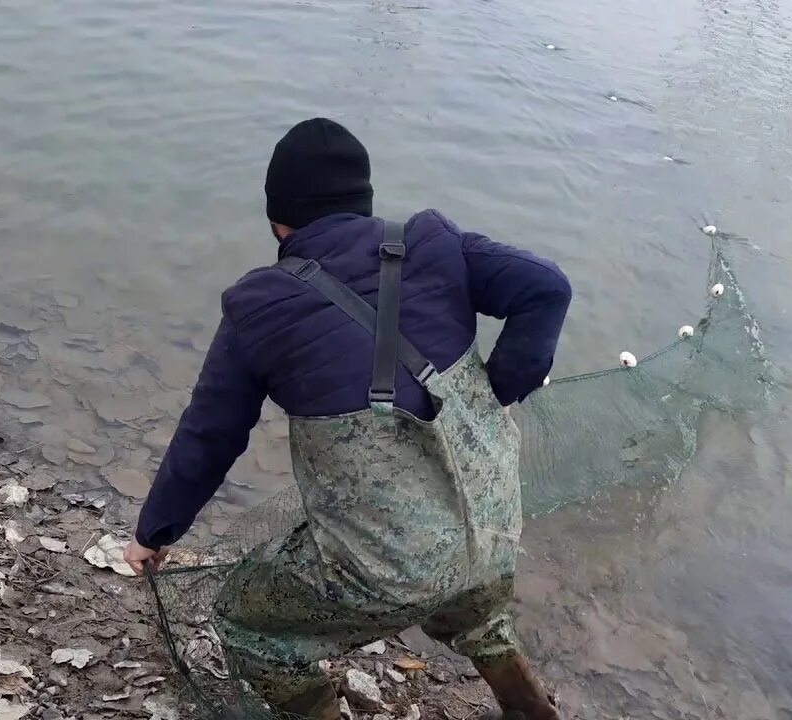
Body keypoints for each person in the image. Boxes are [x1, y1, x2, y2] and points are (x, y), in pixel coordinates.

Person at [124, 118, 571, 720]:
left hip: (387, 567)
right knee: (469, 600)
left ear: (277, 221)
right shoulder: (434, 241)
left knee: (244, 619)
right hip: (490, 530)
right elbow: (547, 287)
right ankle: (530, 710)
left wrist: (156, 532)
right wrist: (498, 390)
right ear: (363, 201)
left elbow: (212, 435)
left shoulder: (259, 306)